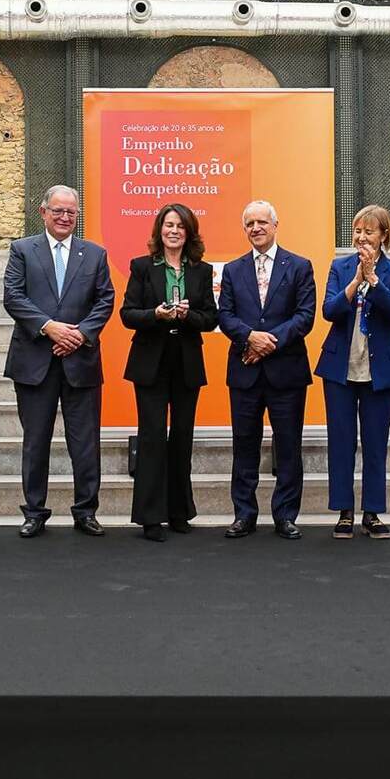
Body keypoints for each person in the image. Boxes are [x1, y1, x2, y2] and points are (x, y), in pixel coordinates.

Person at [3, 185, 115, 538]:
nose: (65, 217)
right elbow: (13, 297)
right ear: (43, 212)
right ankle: (34, 512)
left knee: (85, 443)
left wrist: (80, 335)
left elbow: (105, 300)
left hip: (80, 362)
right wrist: (49, 328)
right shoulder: (22, 250)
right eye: (58, 211)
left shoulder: (94, 254)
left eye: (71, 212)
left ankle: (86, 511)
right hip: (35, 362)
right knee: (36, 442)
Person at [217, 200, 317, 540]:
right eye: (250, 224)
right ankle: (244, 515)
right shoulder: (233, 270)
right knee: (244, 445)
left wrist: (269, 342)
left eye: (262, 222)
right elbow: (225, 315)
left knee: (288, 446)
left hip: (286, 372)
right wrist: (250, 337)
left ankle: (285, 515)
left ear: (275, 225)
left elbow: (305, 316)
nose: (256, 228)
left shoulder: (299, 266)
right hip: (244, 373)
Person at [120, 204, 218, 542]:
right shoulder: (142, 267)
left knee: (182, 437)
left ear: (189, 232)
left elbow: (211, 319)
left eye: (180, 226)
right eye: (168, 225)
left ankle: (178, 511)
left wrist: (189, 316)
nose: (173, 231)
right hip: (151, 361)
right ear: (159, 230)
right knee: (151, 437)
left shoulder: (201, 271)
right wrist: (156, 315)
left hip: (186, 361)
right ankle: (150, 517)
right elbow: (128, 314)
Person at [315, 205, 390, 540]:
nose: (361, 237)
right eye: (357, 231)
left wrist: (373, 279)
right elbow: (329, 310)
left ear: (383, 236)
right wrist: (356, 280)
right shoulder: (339, 267)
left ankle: (372, 513)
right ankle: (344, 511)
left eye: (369, 232)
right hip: (340, 368)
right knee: (341, 441)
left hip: (380, 370)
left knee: (375, 443)